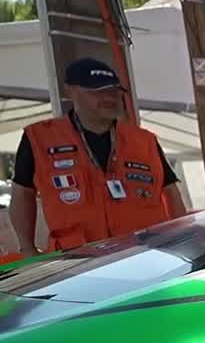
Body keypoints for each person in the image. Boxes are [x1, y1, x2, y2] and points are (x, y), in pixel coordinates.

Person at [8, 58, 188, 256]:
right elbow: (23, 193)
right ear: (70, 91)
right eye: (97, 91)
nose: (109, 98)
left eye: (113, 91)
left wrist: (181, 238)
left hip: (143, 255)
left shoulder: (144, 140)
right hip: (78, 259)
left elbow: (170, 191)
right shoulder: (40, 138)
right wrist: (27, 247)